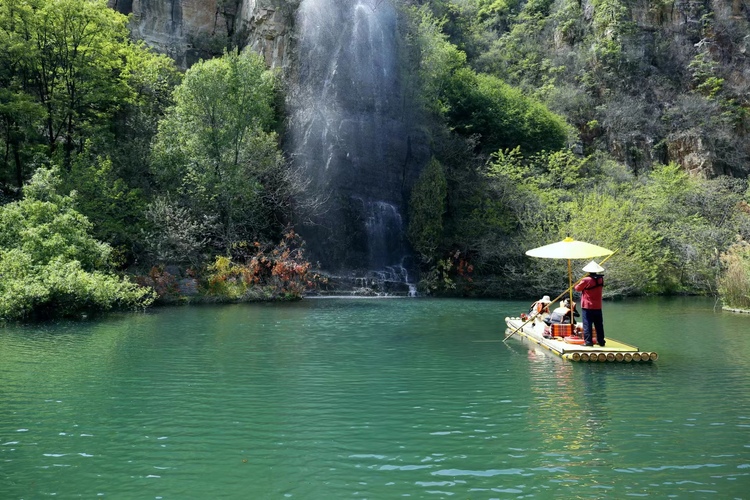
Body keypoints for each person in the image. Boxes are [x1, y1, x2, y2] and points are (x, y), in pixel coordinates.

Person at [575, 260, 605, 347]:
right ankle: (601, 341)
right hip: (598, 306)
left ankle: (588, 342)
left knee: (587, 324)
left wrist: (577, 283)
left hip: (587, 306)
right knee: (599, 324)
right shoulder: (601, 279)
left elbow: (577, 288)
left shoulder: (585, 280)